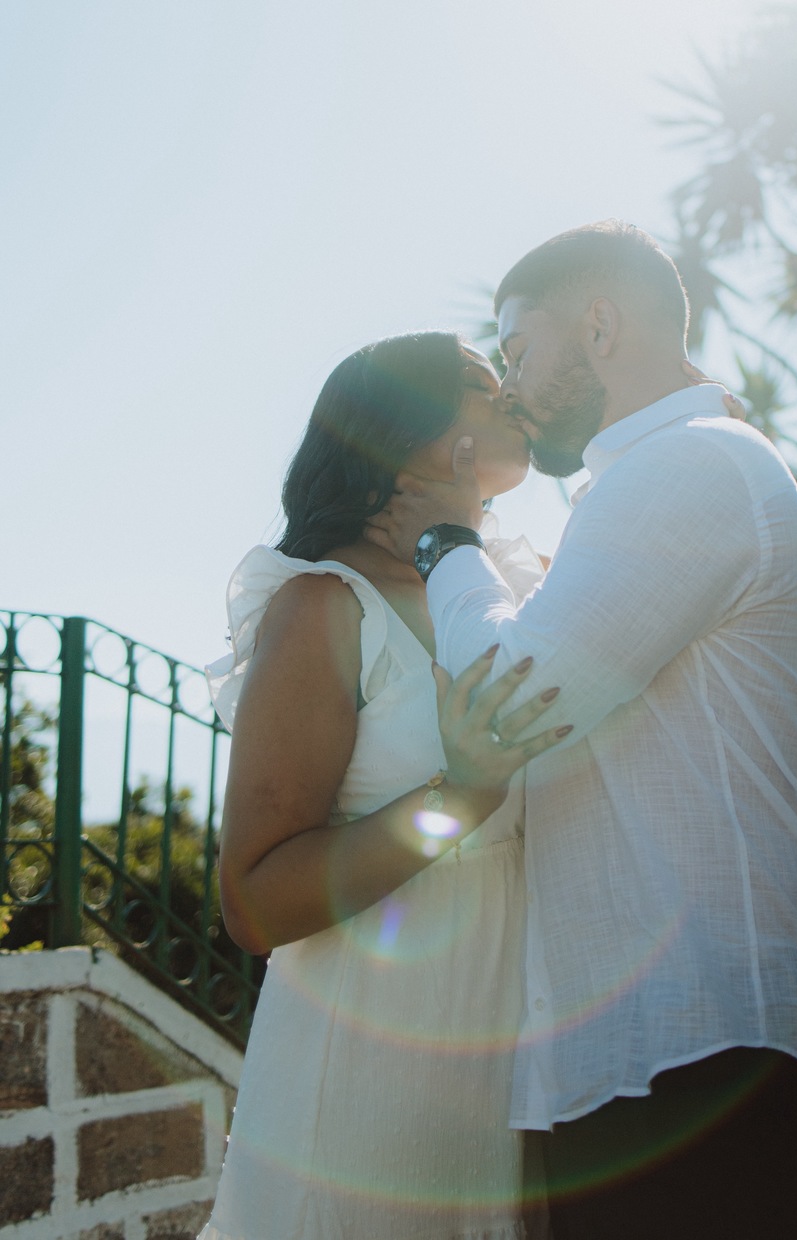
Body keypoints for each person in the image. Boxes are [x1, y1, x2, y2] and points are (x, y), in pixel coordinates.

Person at [367, 222, 797, 1240]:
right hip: (633, 1060)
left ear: (600, 324)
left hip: (708, 1045)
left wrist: (447, 538)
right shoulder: (637, 488)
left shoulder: (698, 463)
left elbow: (517, 698)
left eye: (517, 351)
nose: (507, 387)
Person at [199, 332, 569, 1240]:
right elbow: (252, 900)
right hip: (362, 1097)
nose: (514, 394)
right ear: (422, 434)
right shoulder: (325, 606)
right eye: (487, 384)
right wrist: (462, 798)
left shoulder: (518, 594)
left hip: (507, 1089)